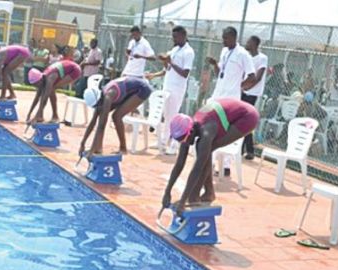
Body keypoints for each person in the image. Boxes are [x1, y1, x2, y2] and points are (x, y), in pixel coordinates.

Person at [162, 98, 259, 214]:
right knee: (204, 148)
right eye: (180, 141)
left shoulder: (206, 131)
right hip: (225, 112)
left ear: (191, 131)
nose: (184, 143)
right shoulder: (187, 128)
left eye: (184, 139)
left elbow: (197, 169)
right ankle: (208, 193)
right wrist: (167, 191)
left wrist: (183, 201)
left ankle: (196, 195)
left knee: (206, 147)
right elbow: (179, 163)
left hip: (248, 117)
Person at [205, 26, 256, 177]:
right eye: (223, 37)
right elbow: (220, 73)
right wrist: (215, 64)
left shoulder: (243, 54)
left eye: (226, 38)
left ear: (234, 37)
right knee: (213, 129)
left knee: (225, 131)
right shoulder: (224, 51)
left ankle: (226, 165)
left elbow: (252, 77)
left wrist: (239, 87)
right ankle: (211, 161)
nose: (223, 40)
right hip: (217, 96)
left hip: (231, 100)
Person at [144, 25, 195, 155]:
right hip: (167, 87)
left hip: (177, 89)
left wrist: (170, 62)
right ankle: (162, 140)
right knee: (166, 115)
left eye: (176, 37)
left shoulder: (188, 52)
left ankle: (174, 144)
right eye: (173, 36)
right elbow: (167, 69)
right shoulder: (175, 49)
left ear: (183, 36)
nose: (173, 39)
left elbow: (185, 73)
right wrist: (163, 63)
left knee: (173, 117)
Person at [79, 77, 153, 157]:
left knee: (117, 116)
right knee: (105, 115)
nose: (98, 107)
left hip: (142, 89)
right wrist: (82, 143)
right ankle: (98, 148)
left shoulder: (108, 96)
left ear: (99, 99)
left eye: (97, 105)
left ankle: (123, 148)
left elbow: (101, 125)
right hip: (127, 90)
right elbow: (93, 122)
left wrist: (91, 152)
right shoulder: (101, 97)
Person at [25, 60, 82, 124]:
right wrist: (29, 113)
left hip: (75, 70)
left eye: (36, 85)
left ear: (40, 80)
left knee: (50, 89)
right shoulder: (42, 78)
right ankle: (41, 116)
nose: (36, 87)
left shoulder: (50, 79)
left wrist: (35, 117)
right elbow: (37, 97)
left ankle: (54, 116)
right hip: (63, 68)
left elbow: (45, 99)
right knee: (46, 90)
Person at [239, 36, 268, 160]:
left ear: (255, 44)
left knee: (245, 121)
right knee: (241, 121)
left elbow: (258, 77)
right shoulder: (247, 57)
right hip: (243, 91)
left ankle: (248, 150)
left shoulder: (262, 58)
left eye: (249, 42)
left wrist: (246, 87)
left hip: (252, 94)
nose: (247, 44)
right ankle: (244, 149)